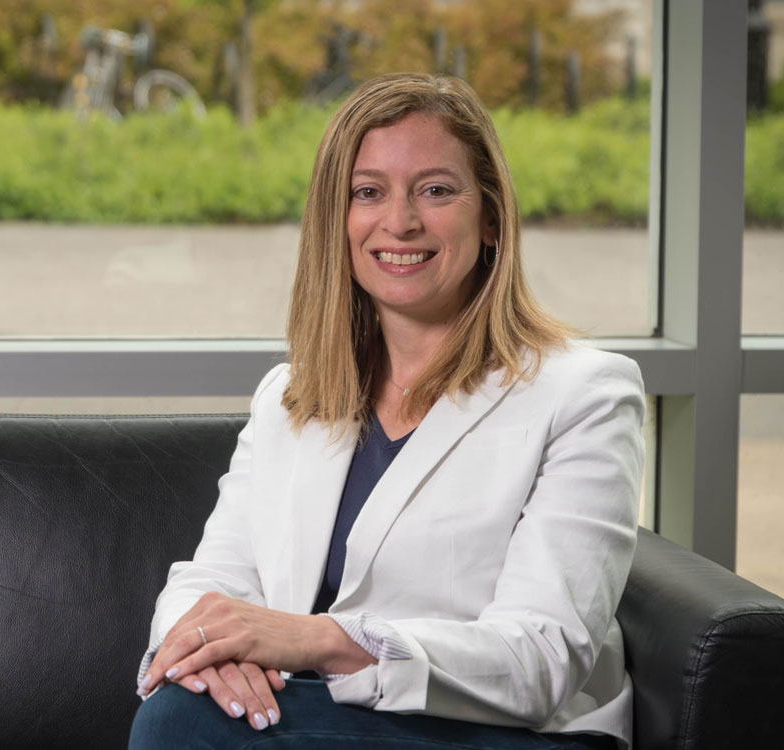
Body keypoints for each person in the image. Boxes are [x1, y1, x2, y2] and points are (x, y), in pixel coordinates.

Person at [129, 72, 645, 750]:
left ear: (490, 216)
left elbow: (541, 660)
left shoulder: (586, 395)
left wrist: (315, 640)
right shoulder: (291, 396)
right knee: (185, 707)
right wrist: (208, 653)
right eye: (368, 192)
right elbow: (212, 577)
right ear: (336, 221)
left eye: (435, 190)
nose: (399, 221)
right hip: (324, 718)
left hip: (502, 732)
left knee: (177, 728)